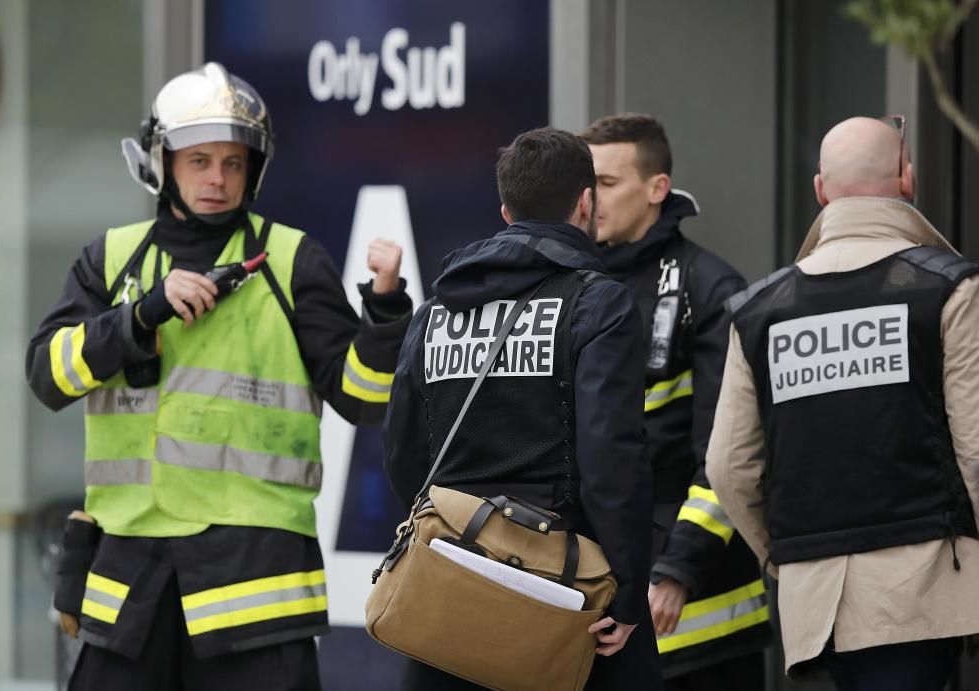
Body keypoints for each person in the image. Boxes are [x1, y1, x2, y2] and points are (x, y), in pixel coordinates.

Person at [25, 62, 412, 690]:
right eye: (200, 161)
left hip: (255, 596)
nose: (218, 179)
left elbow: (364, 399)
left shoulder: (291, 261)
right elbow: (48, 376)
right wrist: (137, 318)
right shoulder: (112, 260)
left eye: (234, 163)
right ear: (163, 162)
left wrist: (387, 307)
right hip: (130, 594)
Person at [382, 127, 662, 689]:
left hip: (449, 585)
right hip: (562, 592)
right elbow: (610, 457)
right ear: (586, 201)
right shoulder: (597, 302)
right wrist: (628, 590)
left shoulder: (435, 311)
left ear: (505, 210)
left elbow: (402, 452)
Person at [707, 115, 979, 690]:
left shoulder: (760, 308)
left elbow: (728, 468)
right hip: (927, 589)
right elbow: (976, 450)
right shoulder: (949, 289)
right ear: (907, 180)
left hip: (812, 605)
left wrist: (786, 558)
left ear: (820, 190)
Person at [581, 113, 771, 688]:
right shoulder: (576, 287)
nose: (591, 201)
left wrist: (678, 569)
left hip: (699, 611)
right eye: (586, 187)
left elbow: (728, 450)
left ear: (657, 189)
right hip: (605, 603)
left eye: (609, 184)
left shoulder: (711, 290)